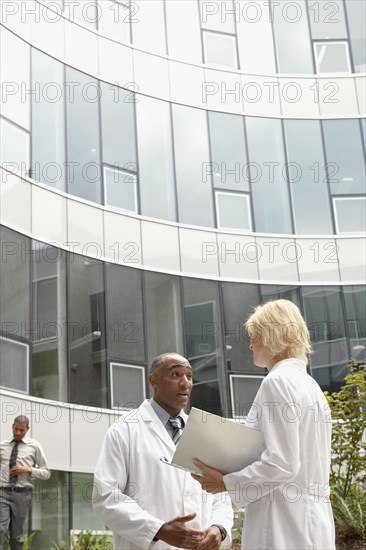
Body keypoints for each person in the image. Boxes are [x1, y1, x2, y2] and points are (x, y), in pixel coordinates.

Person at [192, 299, 336, 550]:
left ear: (272, 335)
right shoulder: (312, 388)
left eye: (255, 335)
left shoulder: (277, 382)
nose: (250, 344)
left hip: (283, 524)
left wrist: (225, 483)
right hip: (313, 522)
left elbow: (282, 462)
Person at [93, 352, 233, 550]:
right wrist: (157, 530)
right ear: (154, 380)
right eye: (176, 375)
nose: (185, 383)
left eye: (189, 376)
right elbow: (105, 497)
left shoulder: (205, 435)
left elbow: (220, 496)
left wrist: (219, 529)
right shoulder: (124, 430)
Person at [0, 415, 51, 550]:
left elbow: (46, 473)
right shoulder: (2, 446)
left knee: (17, 535)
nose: (18, 433)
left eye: (21, 430)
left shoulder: (35, 446)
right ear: (12, 426)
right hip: (2, 491)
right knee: (0, 529)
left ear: (27, 429)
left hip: (22, 494)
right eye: (16, 429)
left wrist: (28, 469)